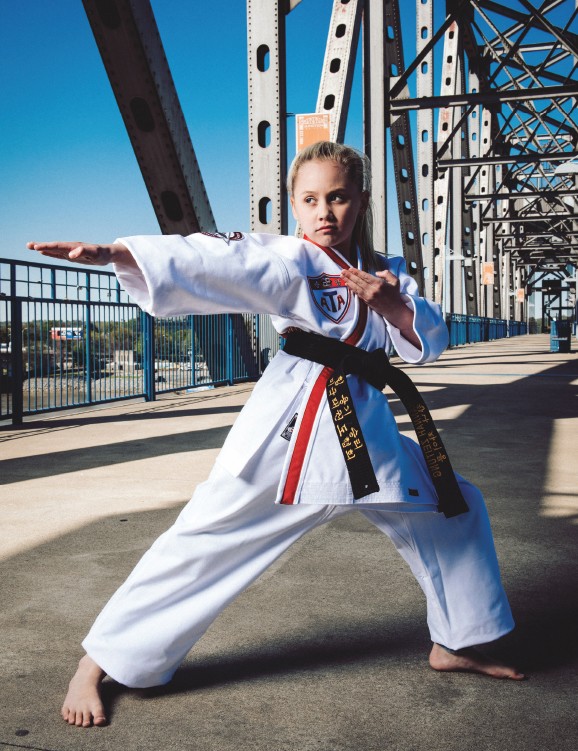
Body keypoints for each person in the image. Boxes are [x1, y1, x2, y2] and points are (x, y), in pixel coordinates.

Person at [28, 141, 524, 728]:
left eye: (338, 197)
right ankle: (96, 663)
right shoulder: (289, 259)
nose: (324, 212)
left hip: (368, 437)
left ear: (362, 201)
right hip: (293, 437)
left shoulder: (388, 271)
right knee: (203, 539)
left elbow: (428, 344)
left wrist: (393, 305)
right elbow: (215, 257)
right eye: (309, 200)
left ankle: (460, 641)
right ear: (293, 204)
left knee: (456, 505)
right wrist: (119, 252)